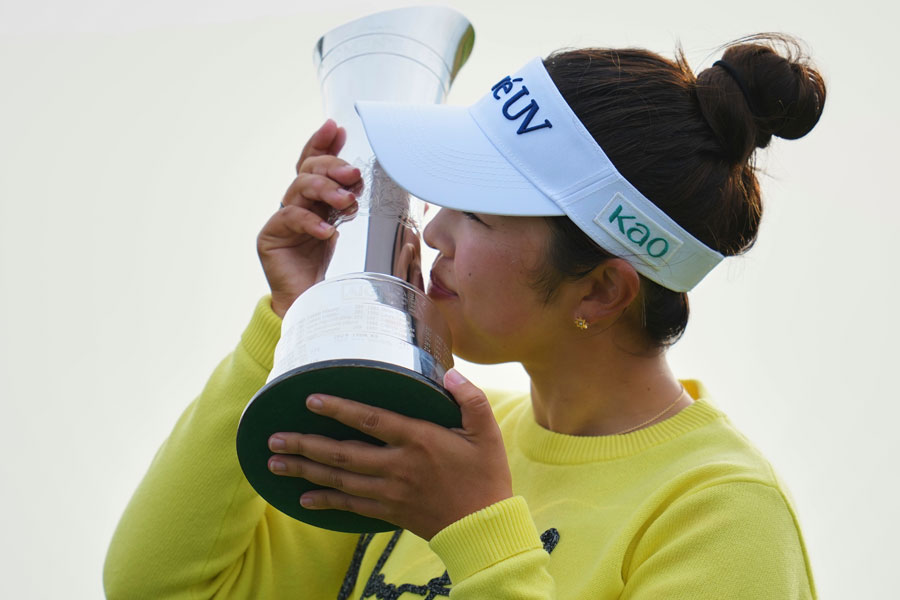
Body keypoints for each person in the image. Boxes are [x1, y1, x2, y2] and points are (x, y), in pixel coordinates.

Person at [104, 34, 825, 599]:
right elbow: (161, 587)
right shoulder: (427, 439)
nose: (434, 232)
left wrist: (472, 531)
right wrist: (297, 317)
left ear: (603, 292)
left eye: (476, 213)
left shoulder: (723, 512)